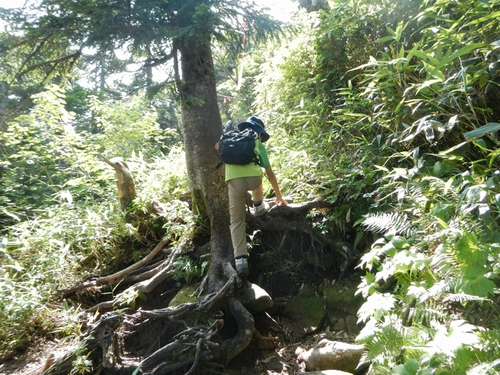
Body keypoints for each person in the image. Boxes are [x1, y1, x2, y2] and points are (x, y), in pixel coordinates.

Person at [215, 116, 288, 277]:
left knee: (236, 220)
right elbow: (269, 172)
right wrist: (279, 196)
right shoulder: (257, 143)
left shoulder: (229, 139)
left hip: (235, 183)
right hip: (254, 181)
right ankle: (259, 206)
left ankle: (241, 261)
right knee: (258, 175)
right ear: (260, 134)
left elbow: (216, 147)